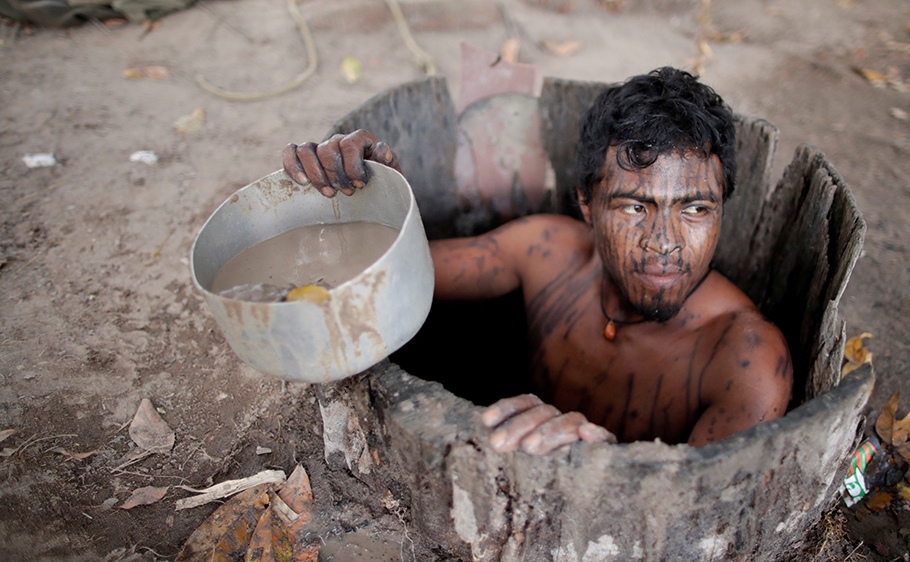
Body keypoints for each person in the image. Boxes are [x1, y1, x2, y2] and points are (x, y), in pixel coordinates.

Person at [282, 67, 792, 455]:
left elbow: (702, 520)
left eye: (696, 208)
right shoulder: (544, 250)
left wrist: (604, 464)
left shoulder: (746, 362)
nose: (664, 243)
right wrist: (371, 193)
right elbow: (397, 272)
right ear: (586, 204)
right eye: (636, 206)